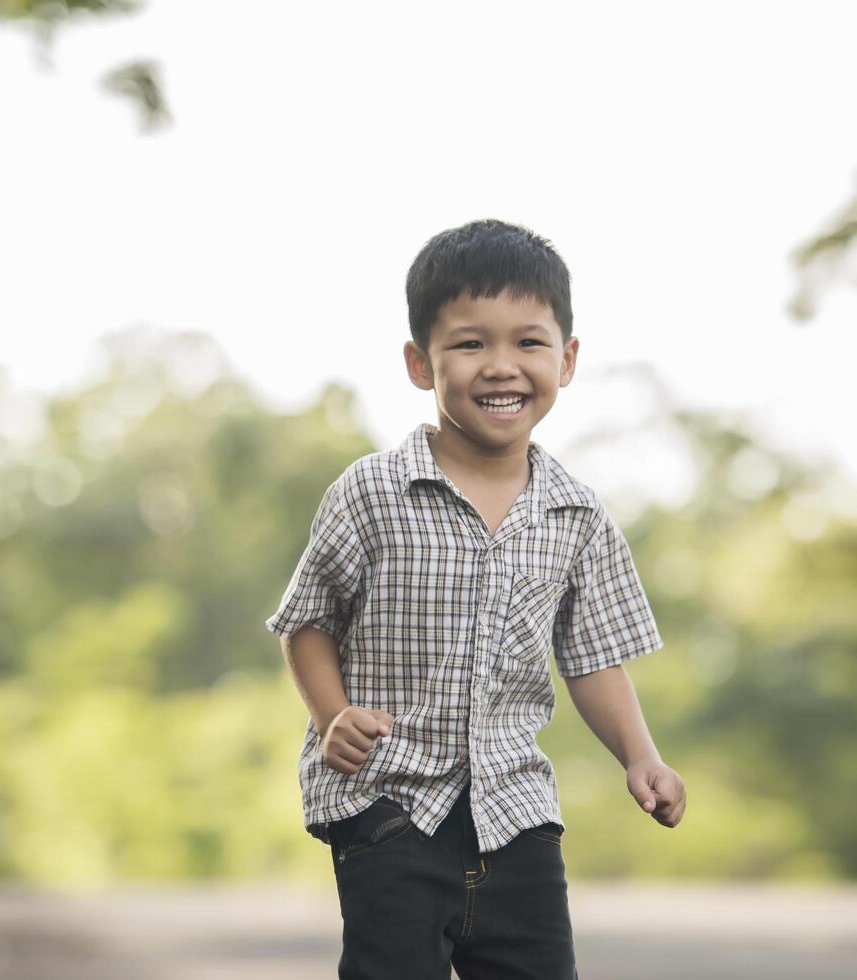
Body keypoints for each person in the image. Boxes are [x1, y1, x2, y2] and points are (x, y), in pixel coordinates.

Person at [264, 218, 686, 979]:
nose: (500, 367)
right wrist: (332, 717)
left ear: (567, 358)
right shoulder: (370, 492)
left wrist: (639, 756)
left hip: (516, 814)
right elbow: (307, 623)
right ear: (420, 363)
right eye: (468, 344)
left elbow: (591, 659)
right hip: (388, 808)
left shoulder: (576, 516)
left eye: (527, 342)